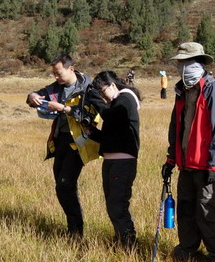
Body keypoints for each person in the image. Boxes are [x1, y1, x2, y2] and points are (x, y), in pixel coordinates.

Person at [161, 42, 215, 262]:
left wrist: (214, 164)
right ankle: (188, 250)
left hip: (206, 166)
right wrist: (171, 159)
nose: (180, 67)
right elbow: (176, 128)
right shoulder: (181, 91)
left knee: (207, 212)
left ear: (197, 64)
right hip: (184, 164)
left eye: (184, 63)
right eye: (179, 63)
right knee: (186, 210)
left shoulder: (214, 90)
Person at [26, 54, 105, 237]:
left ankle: (76, 232)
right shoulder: (56, 87)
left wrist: (63, 108)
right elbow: (33, 99)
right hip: (60, 141)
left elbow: (91, 116)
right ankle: (73, 227)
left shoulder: (89, 87)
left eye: (58, 73)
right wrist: (32, 96)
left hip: (80, 142)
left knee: (65, 184)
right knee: (61, 186)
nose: (55, 77)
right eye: (53, 73)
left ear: (71, 68)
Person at [91, 71, 141, 249]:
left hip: (123, 162)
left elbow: (110, 116)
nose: (102, 97)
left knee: (117, 205)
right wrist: (90, 131)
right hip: (112, 161)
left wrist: (93, 100)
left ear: (113, 85)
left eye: (102, 92)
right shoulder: (116, 103)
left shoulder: (125, 99)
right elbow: (110, 134)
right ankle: (122, 240)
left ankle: (129, 244)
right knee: (113, 205)